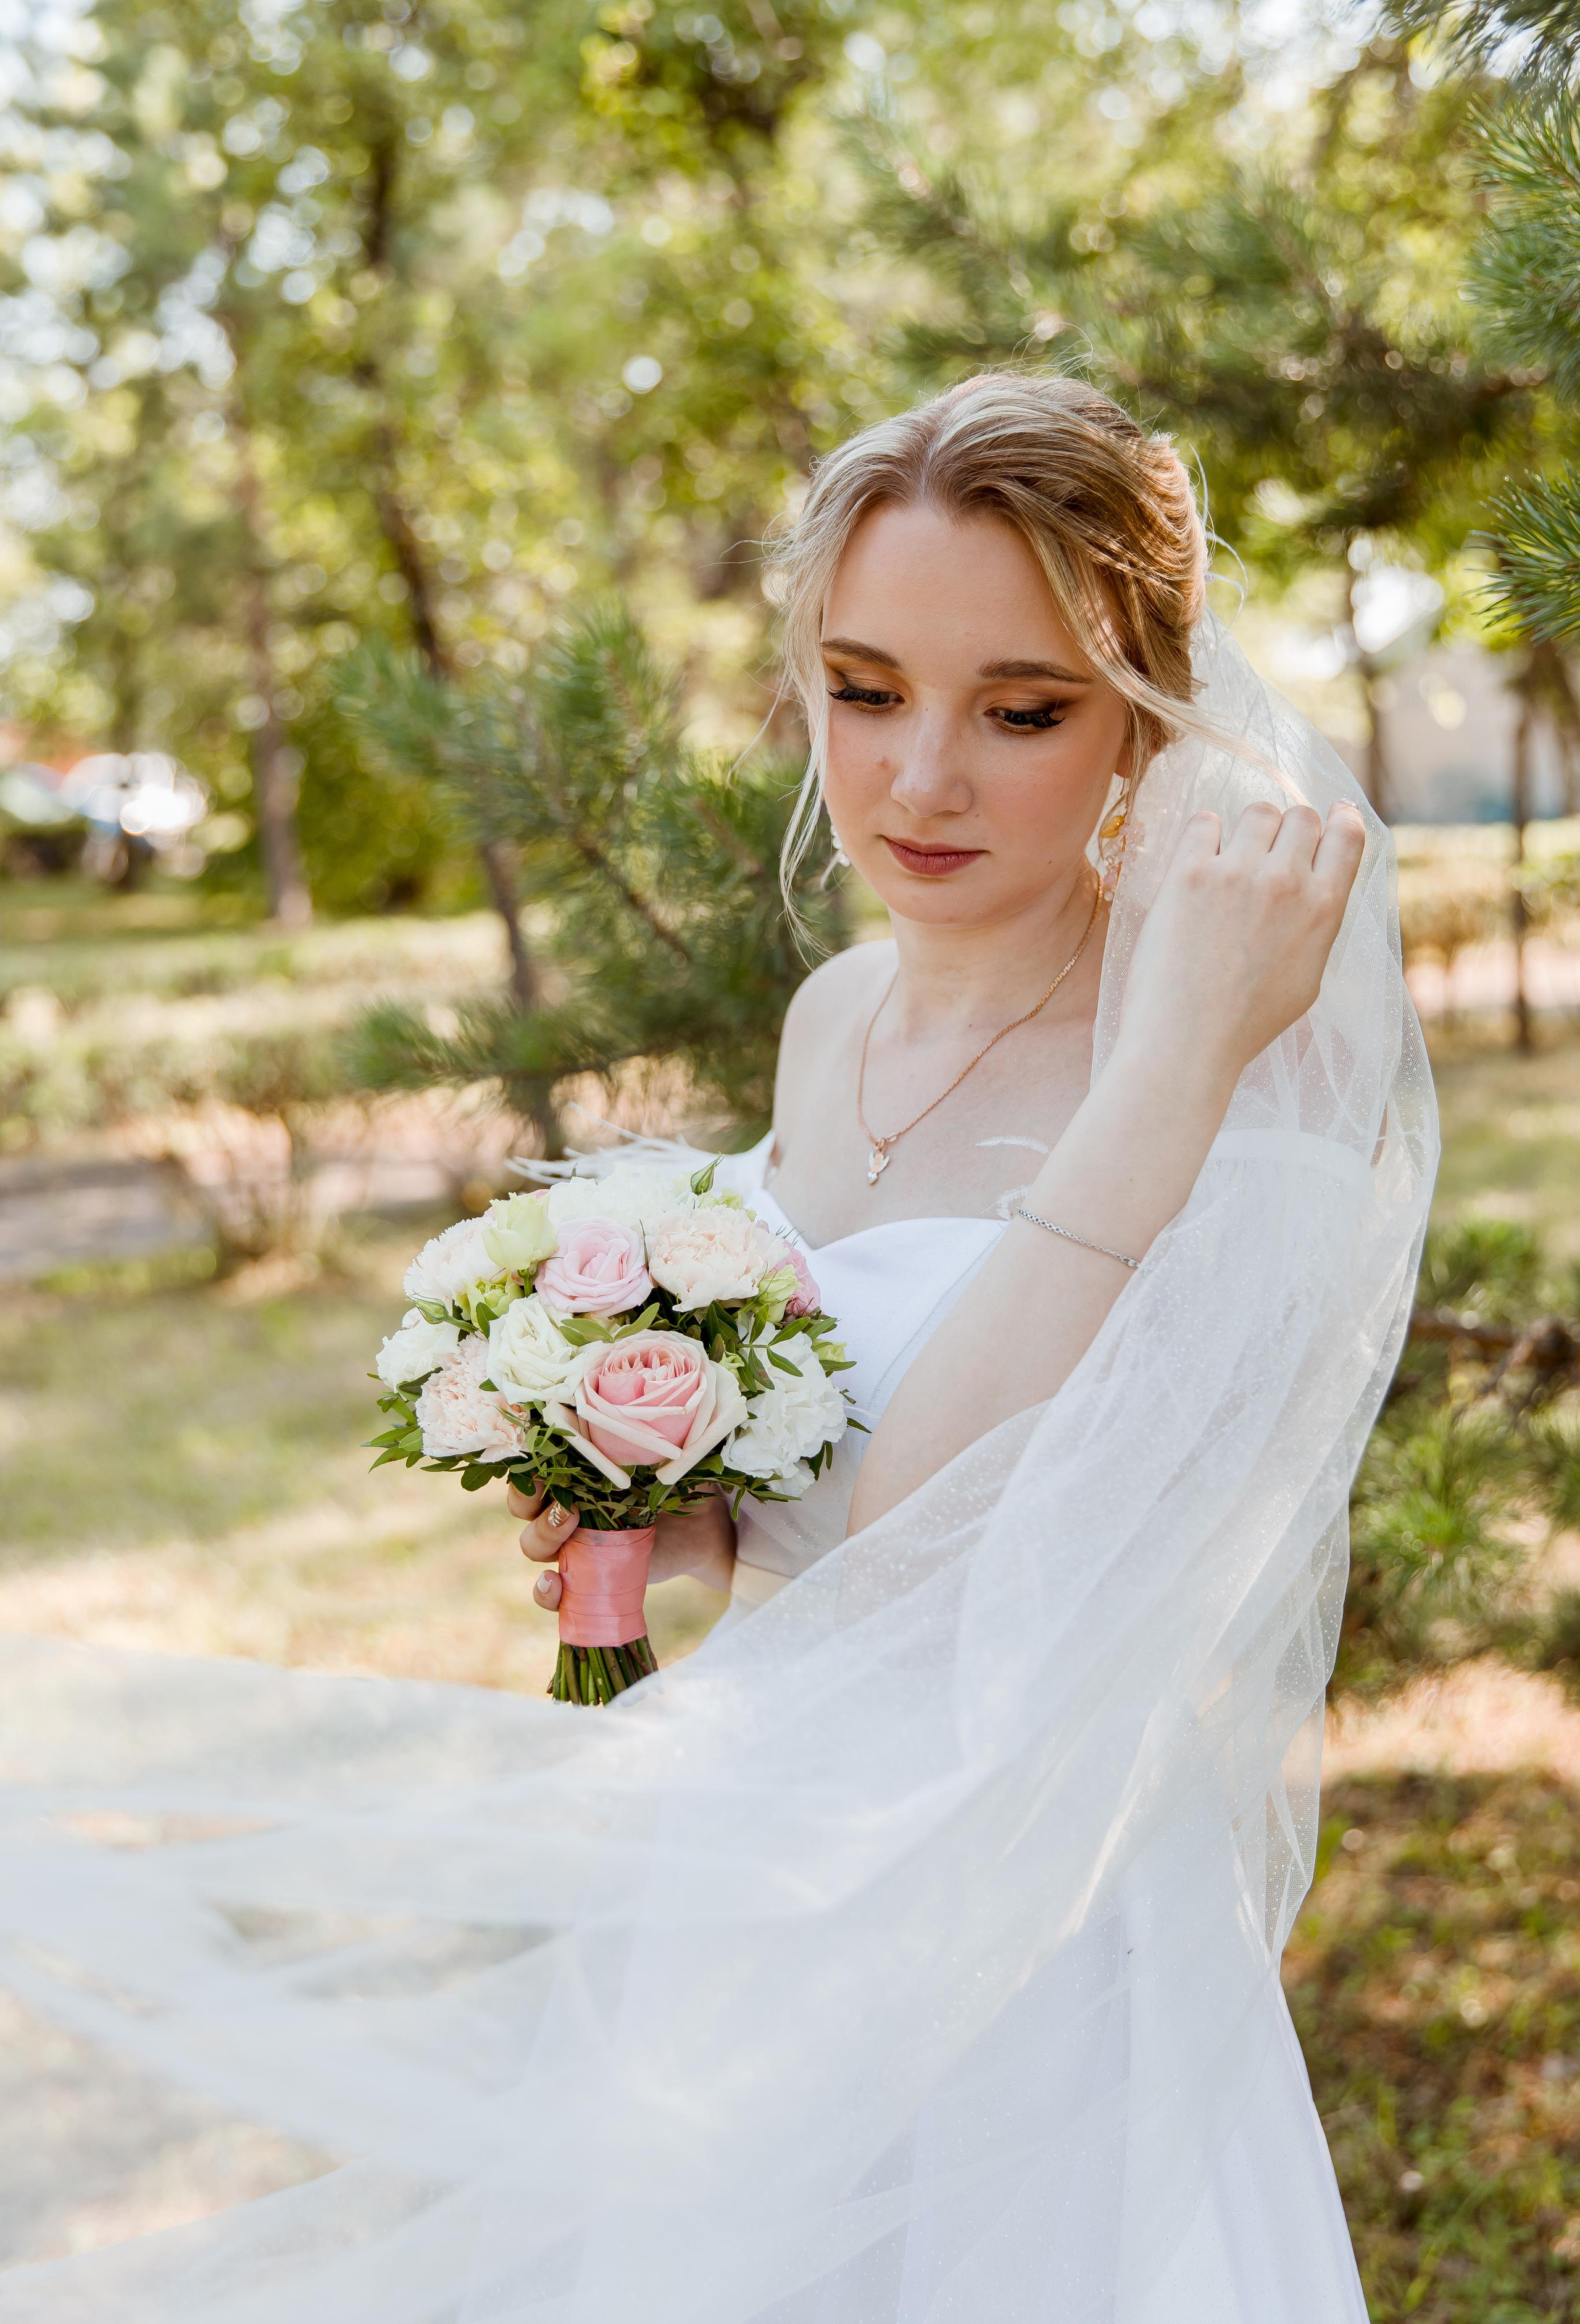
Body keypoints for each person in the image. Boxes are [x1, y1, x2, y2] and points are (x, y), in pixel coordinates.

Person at [0, 374, 1434, 2323]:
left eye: (1020, 711)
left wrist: (1173, 1062)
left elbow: (975, 1542)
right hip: (753, 1877)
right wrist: (701, 1513)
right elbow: (863, 1480)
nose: (921, 779)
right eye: (865, 689)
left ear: (1144, 719)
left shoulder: (1226, 1075)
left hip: (1026, 1949)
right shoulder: (840, 1014)